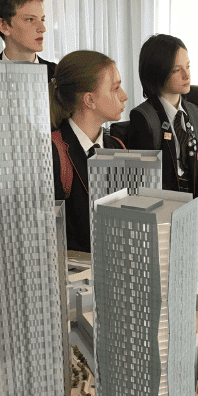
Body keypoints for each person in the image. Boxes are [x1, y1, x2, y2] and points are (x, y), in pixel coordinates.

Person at [127, 34, 198, 241]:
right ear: (158, 72)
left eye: (188, 66)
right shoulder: (143, 117)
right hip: (161, 218)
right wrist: (182, 220)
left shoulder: (194, 112)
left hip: (193, 214)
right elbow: (145, 186)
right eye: (177, 70)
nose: (187, 75)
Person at [49, 50, 129, 252]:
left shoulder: (117, 146)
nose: (124, 95)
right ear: (89, 100)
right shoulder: (52, 152)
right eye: (115, 88)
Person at [0, 0, 57, 80]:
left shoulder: (62, 77)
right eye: (30, 19)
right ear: (4, 26)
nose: (42, 29)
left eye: (42, 19)